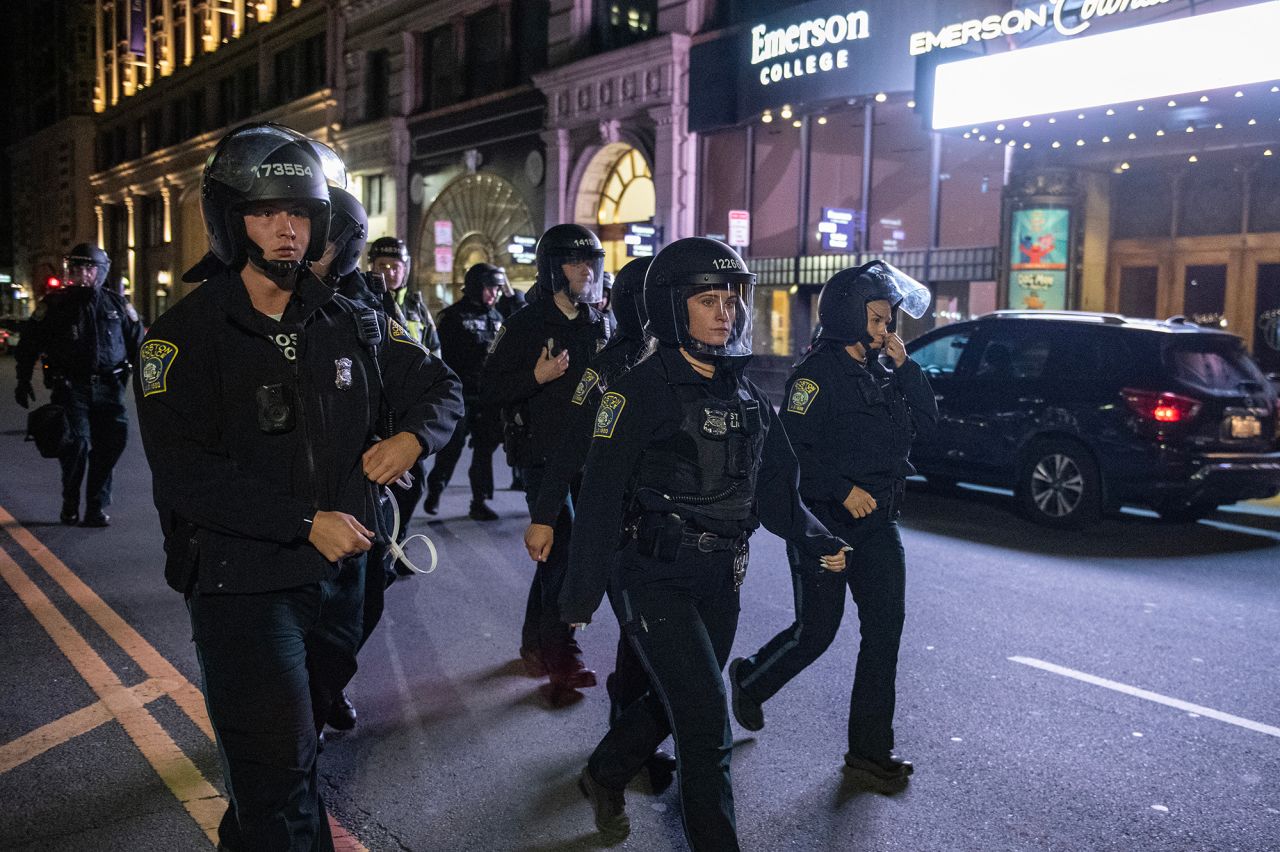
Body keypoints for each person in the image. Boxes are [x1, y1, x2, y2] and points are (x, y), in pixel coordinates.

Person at [134, 123, 463, 851]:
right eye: (266, 213)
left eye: (301, 214)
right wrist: (302, 520)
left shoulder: (350, 319)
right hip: (244, 584)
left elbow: (440, 385)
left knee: (285, 764)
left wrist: (411, 437)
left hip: (344, 581)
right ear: (229, 220)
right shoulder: (180, 338)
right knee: (280, 781)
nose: (288, 230)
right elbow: (186, 474)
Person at [559, 238, 848, 850]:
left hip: (722, 580)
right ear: (671, 308)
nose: (726, 312)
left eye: (732, 299)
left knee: (674, 705)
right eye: (709, 300)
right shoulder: (634, 393)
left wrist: (818, 538)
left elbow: (777, 493)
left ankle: (604, 772)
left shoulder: (744, 395)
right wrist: (579, 596)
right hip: (652, 576)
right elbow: (602, 498)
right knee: (706, 725)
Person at [727, 260, 937, 795]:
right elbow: (787, 456)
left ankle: (868, 753)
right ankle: (750, 679)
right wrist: (841, 488)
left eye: (890, 319)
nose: (886, 329)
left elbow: (931, 426)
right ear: (848, 316)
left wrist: (907, 368)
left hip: (880, 524)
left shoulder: (883, 369)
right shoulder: (814, 377)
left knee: (884, 632)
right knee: (817, 631)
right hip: (826, 525)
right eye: (877, 318)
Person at [481, 223, 610, 702]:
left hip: (588, 457)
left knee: (558, 552)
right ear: (554, 270)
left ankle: (535, 641)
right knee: (564, 549)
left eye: (592, 264)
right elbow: (488, 389)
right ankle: (562, 655)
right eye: (577, 264)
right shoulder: (525, 323)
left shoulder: (600, 322)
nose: (587, 273)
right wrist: (535, 376)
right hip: (541, 457)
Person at [14, 243, 143, 526]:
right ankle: (70, 503)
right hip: (71, 388)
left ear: (100, 272)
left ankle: (96, 507)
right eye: (75, 269)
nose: (81, 274)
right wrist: (22, 379)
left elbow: (140, 346)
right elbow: (29, 344)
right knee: (77, 445)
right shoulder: (55, 305)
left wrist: (151, 388)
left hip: (111, 388)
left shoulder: (118, 305)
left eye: (87, 268)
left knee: (111, 444)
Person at [426, 262, 506, 521]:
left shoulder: (497, 318)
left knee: (484, 451)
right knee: (453, 446)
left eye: (497, 289)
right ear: (475, 287)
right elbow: (442, 360)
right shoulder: (452, 317)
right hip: (459, 396)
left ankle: (479, 501)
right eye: (490, 288)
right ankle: (436, 488)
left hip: (488, 397)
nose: (494, 294)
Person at [368, 236, 440, 353]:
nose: (390, 273)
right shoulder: (361, 303)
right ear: (372, 267)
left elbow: (434, 349)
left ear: (405, 270)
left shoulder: (417, 308)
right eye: (383, 266)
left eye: (396, 267)